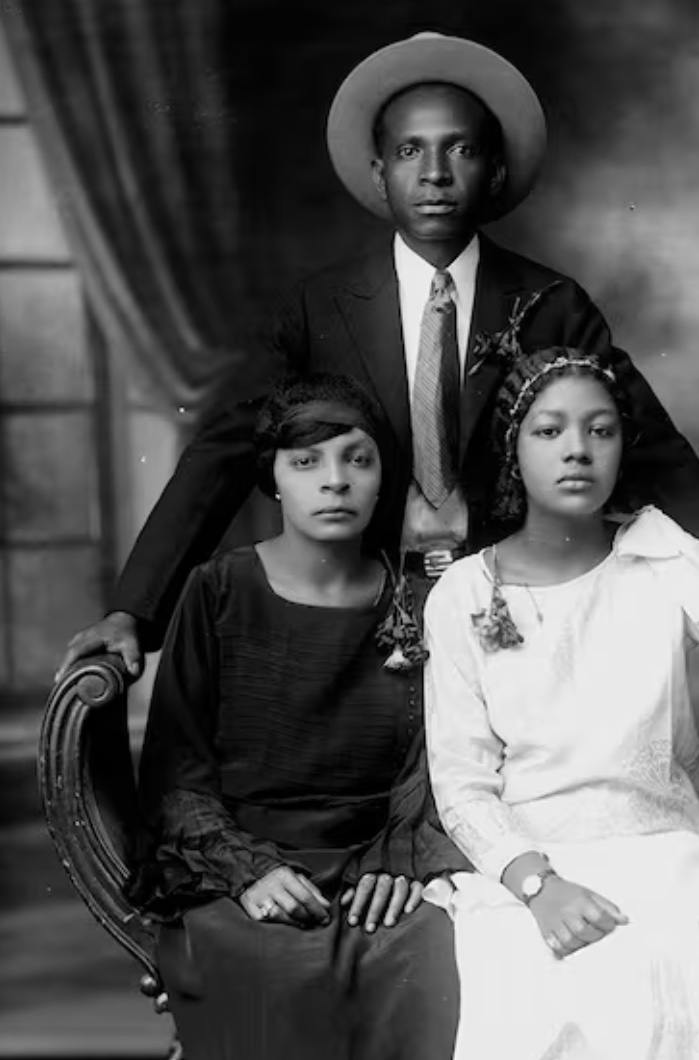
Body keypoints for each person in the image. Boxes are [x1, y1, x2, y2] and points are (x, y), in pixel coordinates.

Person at [57, 31, 699, 680]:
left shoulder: (550, 304)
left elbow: (656, 452)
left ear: (496, 170)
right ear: (380, 173)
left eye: (461, 150)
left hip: (520, 629)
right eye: (412, 152)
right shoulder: (319, 308)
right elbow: (225, 450)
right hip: (359, 629)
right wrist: (132, 609)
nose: (436, 174)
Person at [422, 346, 699, 1060]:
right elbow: (462, 785)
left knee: (648, 975)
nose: (578, 451)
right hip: (526, 865)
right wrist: (539, 887)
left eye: (600, 431)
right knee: (532, 987)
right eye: (550, 431)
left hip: (658, 856)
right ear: (512, 447)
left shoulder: (657, 556)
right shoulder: (467, 594)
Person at [128, 374, 468, 1060]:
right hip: (250, 857)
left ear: (382, 482)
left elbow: (443, 756)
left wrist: (400, 857)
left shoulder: (428, 600)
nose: (335, 482)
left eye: (357, 460)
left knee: (429, 958)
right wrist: (247, 872)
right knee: (272, 968)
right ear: (273, 479)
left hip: (383, 862)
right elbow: (178, 772)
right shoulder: (218, 590)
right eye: (306, 462)